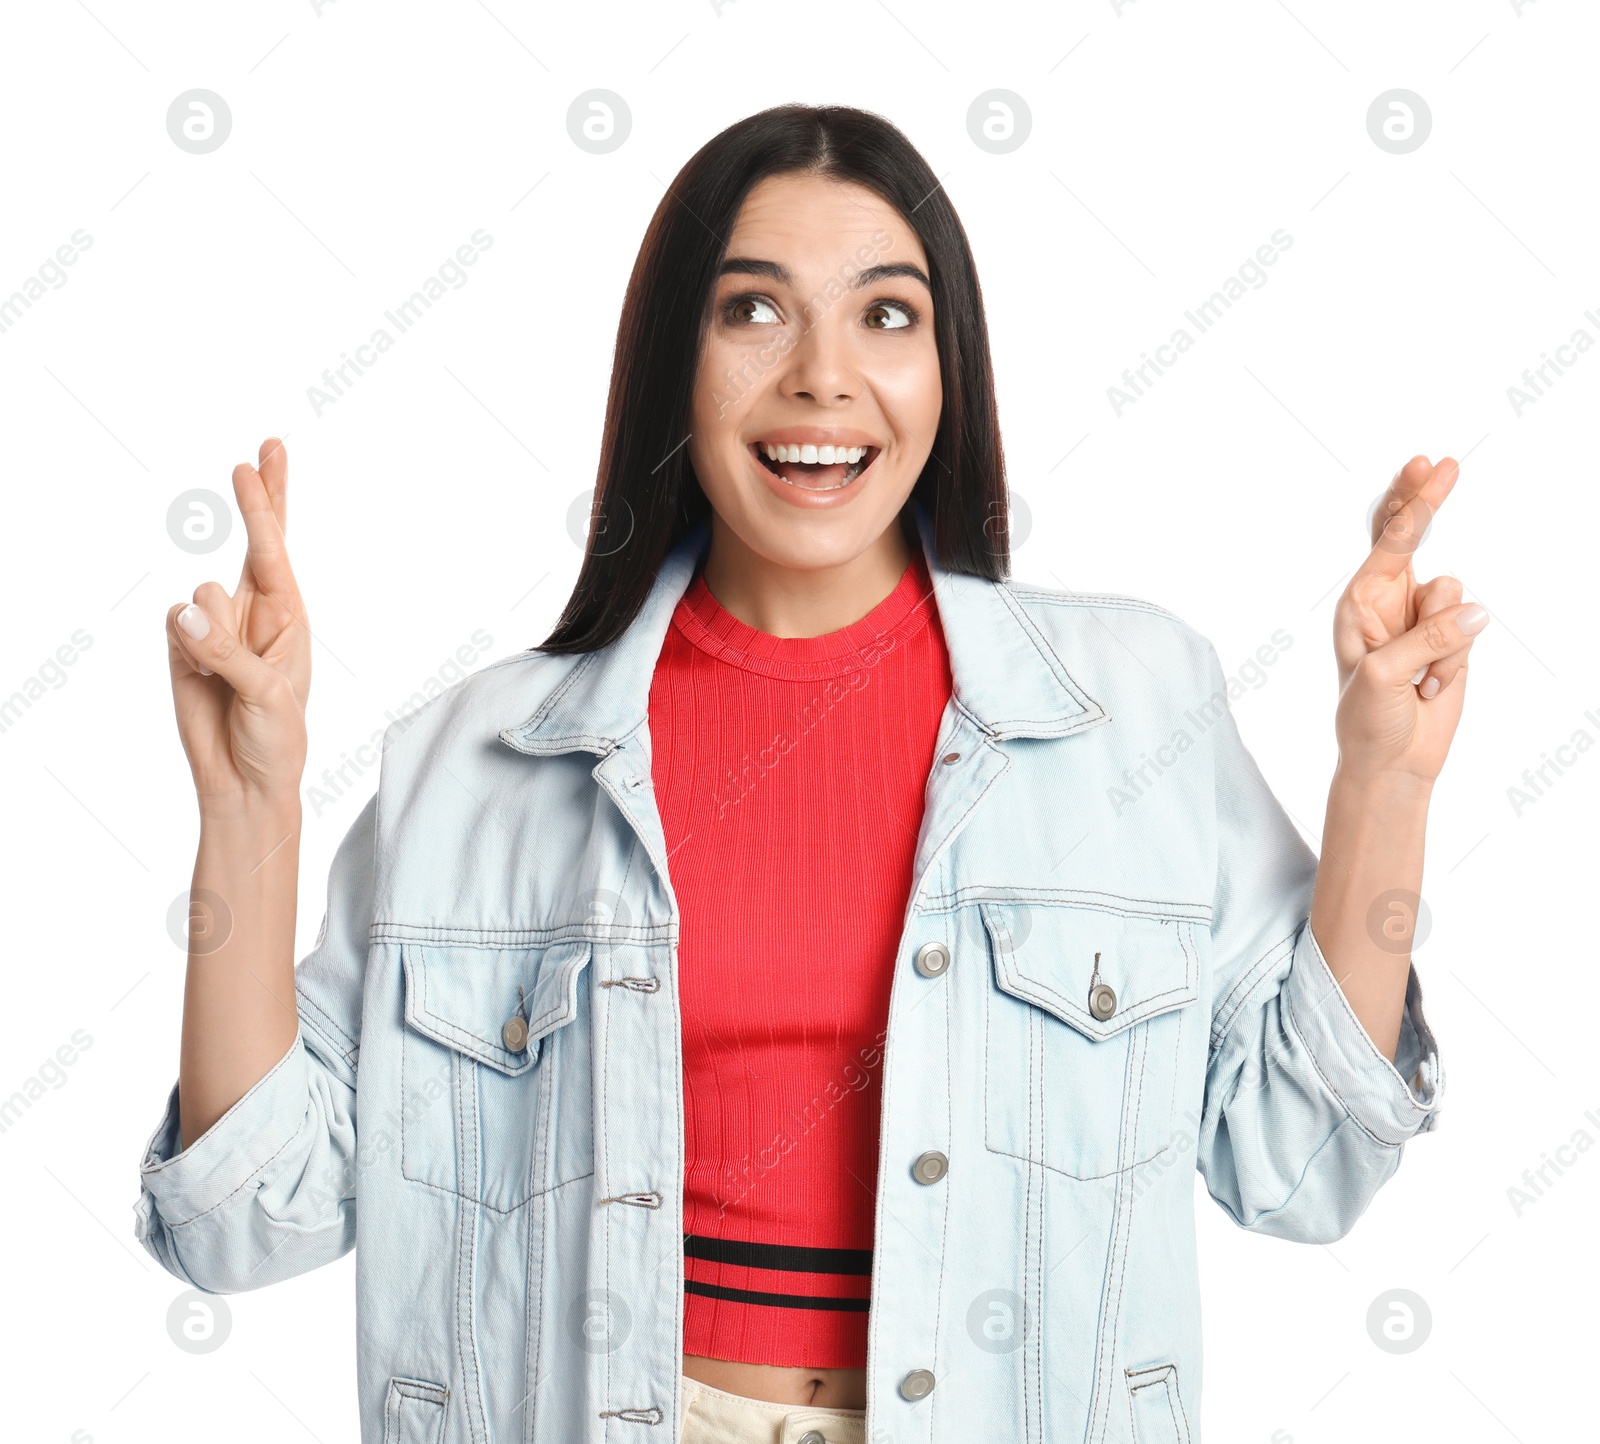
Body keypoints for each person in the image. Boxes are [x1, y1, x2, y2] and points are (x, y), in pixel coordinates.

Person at [137, 103, 1480, 1444]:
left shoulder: (1131, 713)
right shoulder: (478, 766)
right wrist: (249, 808)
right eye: (755, 313)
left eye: (886, 317)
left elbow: (1302, 1162)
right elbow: (251, 1221)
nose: (823, 378)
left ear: (949, 371)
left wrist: (1385, 784)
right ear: (677, 362)